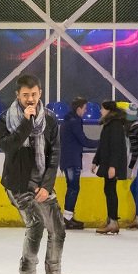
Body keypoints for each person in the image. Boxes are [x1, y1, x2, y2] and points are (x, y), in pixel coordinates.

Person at [0, 74, 79, 274]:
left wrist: (47, 185)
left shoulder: (51, 120)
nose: (30, 99)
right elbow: (7, 147)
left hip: (42, 183)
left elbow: (54, 155)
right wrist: (25, 122)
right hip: (17, 183)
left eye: (33, 94)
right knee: (35, 224)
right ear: (18, 95)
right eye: (25, 95)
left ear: (40, 93)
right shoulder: (6, 118)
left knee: (58, 228)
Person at [59, 97, 99, 229]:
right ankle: (67, 218)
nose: (86, 110)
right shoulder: (74, 121)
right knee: (73, 188)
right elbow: (84, 141)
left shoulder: (67, 121)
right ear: (79, 109)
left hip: (67, 160)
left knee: (72, 188)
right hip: (72, 160)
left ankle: (68, 217)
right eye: (85, 108)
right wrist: (101, 143)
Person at [92, 101, 128, 235]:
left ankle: (113, 222)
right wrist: (96, 161)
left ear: (108, 110)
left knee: (110, 190)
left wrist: (113, 166)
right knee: (109, 189)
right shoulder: (109, 124)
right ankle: (111, 220)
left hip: (112, 164)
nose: (100, 110)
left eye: (102, 108)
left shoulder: (115, 125)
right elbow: (103, 145)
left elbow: (116, 147)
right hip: (107, 163)